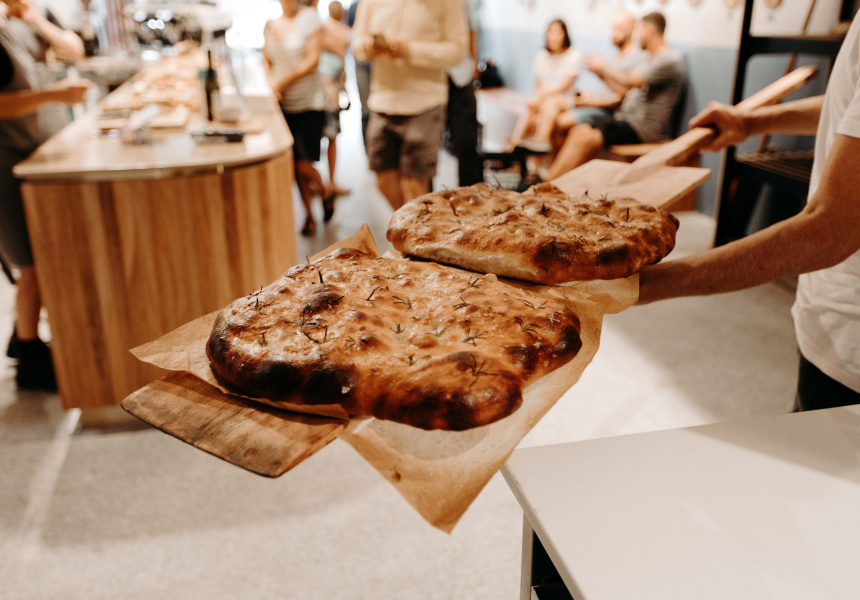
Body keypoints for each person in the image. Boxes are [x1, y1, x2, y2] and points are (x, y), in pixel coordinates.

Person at [638, 13, 860, 411]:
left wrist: (650, 283)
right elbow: (848, 106)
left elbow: (830, 231)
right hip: (829, 317)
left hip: (852, 344)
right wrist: (752, 121)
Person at [0, 0, 87, 390]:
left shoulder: (15, 25)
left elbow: (73, 47)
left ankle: (23, 336)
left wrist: (33, 17)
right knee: (30, 263)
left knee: (35, 258)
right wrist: (53, 95)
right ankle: (30, 356)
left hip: (25, 152)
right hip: (5, 159)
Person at [535, 12, 684, 185]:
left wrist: (603, 67)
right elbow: (626, 87)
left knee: (585, 138)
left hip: (642, 128)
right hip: (626, 119)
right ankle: (553, 181)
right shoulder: (650, 57)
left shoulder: (669, 59)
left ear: (649, 31)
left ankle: (547, 185)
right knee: (579, 131)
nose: (637, 36)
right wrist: (601, 73)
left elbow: (631, 81)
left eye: (640, 30)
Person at [351, 0, 468, 210]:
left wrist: (410, 50)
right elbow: (357, 45)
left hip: (425, 102)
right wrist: (368, 46)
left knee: (414, 185)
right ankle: (409, 224)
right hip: (382, 101)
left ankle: (411, 226)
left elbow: (458, 51)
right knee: (383, 180)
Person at [263, 0, 327, 236]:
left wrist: (281, 83)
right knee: (294, 167)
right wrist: (272, 84)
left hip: (309, 103)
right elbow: (266, 59)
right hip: (283, 104)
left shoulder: (309, 18)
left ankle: (325, 191)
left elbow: (312, 60)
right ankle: (309, 215)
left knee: (303, 165)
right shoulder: (270, 24)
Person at [555, 11, 643, 134]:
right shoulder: (615, 57)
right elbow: (609, 86)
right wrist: (598, 77)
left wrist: (585, 102)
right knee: (550, 109)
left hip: (606, 111)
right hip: (594, 102)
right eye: (613, 28)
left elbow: (624, 95)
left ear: (632, 28)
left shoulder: (637, 57)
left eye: (620, 28)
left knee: (560, 121)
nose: (614, 33)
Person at [506, 19, 582, 154]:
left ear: (565, 35)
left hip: (564, 99)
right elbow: (538, 84)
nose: (553, 37)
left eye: (557, 32)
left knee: (550, 103)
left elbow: (563, 87)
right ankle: (515, 146)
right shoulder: (542, 55)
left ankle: (541, 140)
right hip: (543, 98)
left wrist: (541, 97)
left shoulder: (574, 55)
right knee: (530, 109)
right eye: (550, 32)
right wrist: (538, 97)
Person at [445, 0, 482, 187]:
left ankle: (468, 193)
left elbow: (470, 27)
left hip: (460, 71)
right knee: (425, 145)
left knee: (467, 138)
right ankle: (425, 201)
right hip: (429, 75)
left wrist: (473, 59)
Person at [319, 0, 350, 204]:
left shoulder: (326, 28)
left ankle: (329, 182)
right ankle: (328, 182)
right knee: (330, 138)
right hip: (327, 90)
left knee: (329, 138)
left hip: (329, 88)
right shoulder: (340, 31)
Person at [346, 0, 371, 148]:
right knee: (366, 107)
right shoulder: (355, 6)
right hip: (361, 64)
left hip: (380, 65)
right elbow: (351, 34)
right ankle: (368, 150)